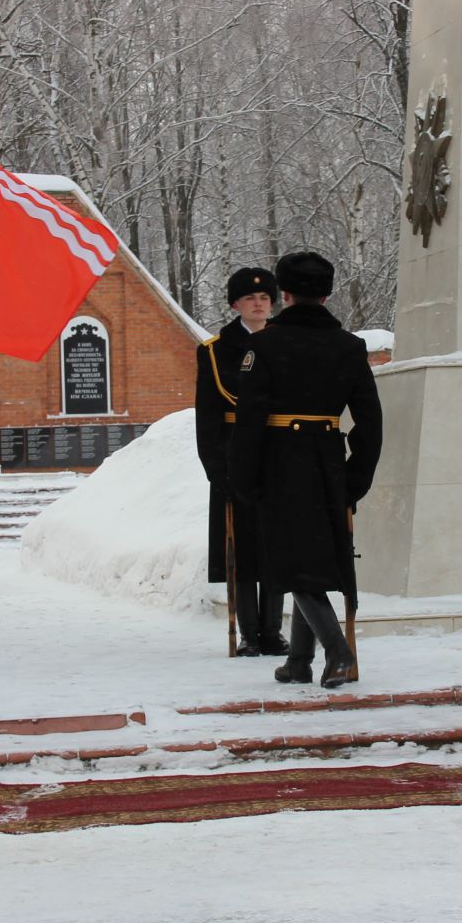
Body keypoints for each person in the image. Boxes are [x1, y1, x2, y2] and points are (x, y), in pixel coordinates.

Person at [229, 251, 383, 687]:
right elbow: (370, 420)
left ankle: (338, 653)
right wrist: (357, 475)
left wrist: (243, 477)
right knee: (308, 556)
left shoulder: (264, 344)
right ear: (328, 294)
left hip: (280, 462)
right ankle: (298, 661)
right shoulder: (350, 347)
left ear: (286, 294)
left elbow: (250, 419)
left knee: (290, 562)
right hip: (329, 463)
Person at [195, 266, 285, 655]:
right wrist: (218, 471)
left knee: (278, 546)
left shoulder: (287, 342)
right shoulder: (215, 350)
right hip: (235, 457)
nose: (259, 304)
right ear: (235, 304)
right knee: (242, 548)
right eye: (251, 299)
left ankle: (274, 630)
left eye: (265, 298)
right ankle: (250, 632)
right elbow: (208, 418)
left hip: (279, 455)